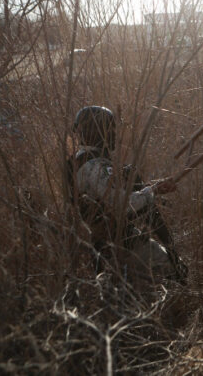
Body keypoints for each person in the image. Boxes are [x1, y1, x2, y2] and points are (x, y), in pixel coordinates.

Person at [67, 105, 187, 283]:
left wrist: (149, 188)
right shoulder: (95, 166)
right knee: (168, 266)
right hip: (116, 243)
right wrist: (153, 190)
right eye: (111, 129)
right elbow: (123, 205)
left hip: (104, 243)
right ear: (97, 132)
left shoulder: (80, 161)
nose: (115, 134)